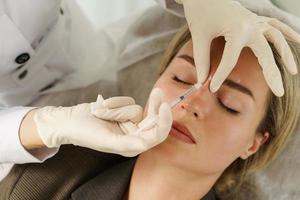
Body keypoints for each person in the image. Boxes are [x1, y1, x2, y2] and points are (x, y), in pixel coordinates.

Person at [1, 0, 300, 181]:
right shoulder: (31, 183)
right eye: (182, 78)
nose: (190, 102)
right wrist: (45, 125)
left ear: (254, 144)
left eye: (229, 104)